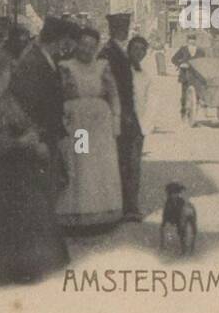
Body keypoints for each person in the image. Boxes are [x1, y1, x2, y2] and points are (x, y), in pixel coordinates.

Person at [0, 51, 60, 285]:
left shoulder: (7, 98)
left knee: (26, 215)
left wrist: (34, 136)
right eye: (6, 73)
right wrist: (20, 142)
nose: (9, 77)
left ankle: (21, 269)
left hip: (15, 165)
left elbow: (24, 121)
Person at [8, 16, 75, 278]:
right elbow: (29, 107)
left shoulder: (44, 60)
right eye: (65, 42)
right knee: (37, 200)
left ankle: (42, 259)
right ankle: (31, 263)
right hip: (38, 142)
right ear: (56, 41)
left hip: (46, 138)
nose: (66, 48)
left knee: (46, 196)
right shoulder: (33, 63)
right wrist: (39, 139)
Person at [57, 25, 124, 230]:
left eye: (91, 46)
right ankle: (78, 213)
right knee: (80, 162)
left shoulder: (102, 66)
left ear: (96, 48)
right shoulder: (66, 66)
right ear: (77, 44)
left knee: (100, 165)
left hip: (100, 125)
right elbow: (59, 95)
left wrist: (116, 120)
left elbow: (113, 94)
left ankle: (102, 213)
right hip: (78, 123)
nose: (87, 50)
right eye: (83, 44)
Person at [102, 13, 144, 222]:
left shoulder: (117, 51)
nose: (125, 31)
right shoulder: (110, 52)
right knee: (127, 162)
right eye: (122, 28)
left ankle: (127, 205)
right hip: (122, 116)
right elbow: (115, 88)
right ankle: (128, 207)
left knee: (128, 161)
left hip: (127, 114)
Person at [171, 33, 205, 121]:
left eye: (193, 39)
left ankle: (193, 114)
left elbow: (204, 61)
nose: (192, 41)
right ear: (187, 41)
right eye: (190, 39)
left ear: (195, 40)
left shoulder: (200, 50)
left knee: (196, 94)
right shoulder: (183, 49)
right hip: (185, 74)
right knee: (184, 95)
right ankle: (183, 112)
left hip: (196, 75)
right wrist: (180, 64)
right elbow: (173, 59)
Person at [128, 35, 156, 140]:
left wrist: (146, 126)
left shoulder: (145, 75)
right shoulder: (122, 70)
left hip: (138, 123)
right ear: (129, 50)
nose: (138, 52)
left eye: (142, 49)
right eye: (135, 48)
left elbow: (150, 101)